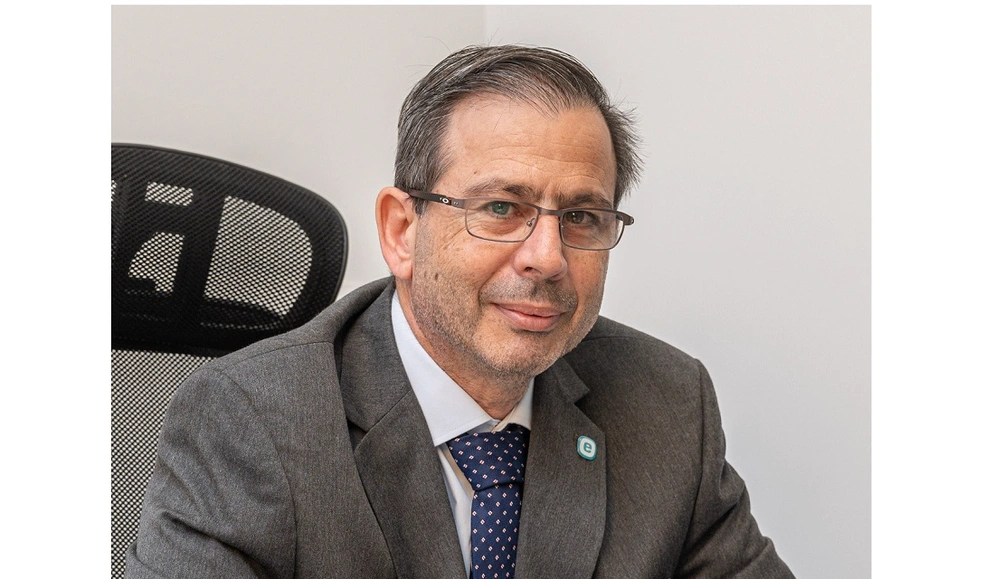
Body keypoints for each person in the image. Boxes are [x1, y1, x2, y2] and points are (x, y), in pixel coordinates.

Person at [127, 45, 794, 579]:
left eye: (582, 216)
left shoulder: (666, 403)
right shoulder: (250, 420)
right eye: (501, 207)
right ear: (399, 230)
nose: (547, 257)